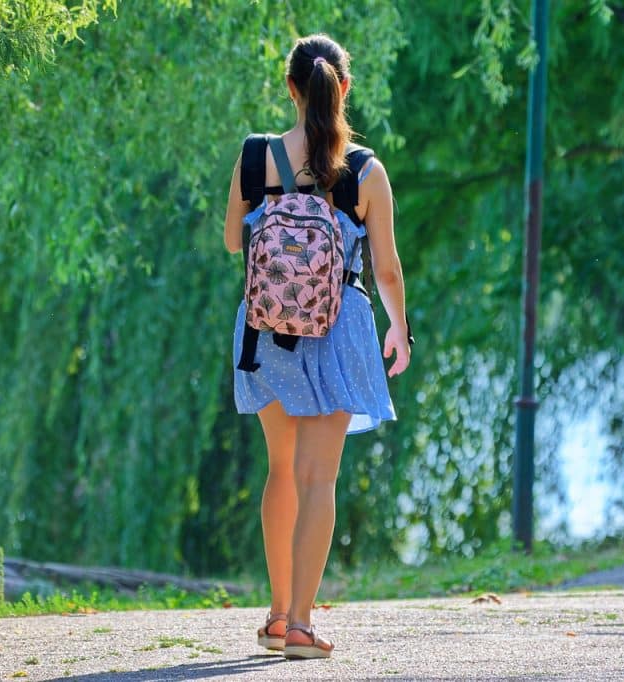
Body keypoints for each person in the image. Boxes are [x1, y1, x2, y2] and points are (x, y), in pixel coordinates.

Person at [223, 33, 410, 660]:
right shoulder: (365, 171)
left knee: (281, 471)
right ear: (344, 88)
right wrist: (398, 328)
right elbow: (386, 270)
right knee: (317, 477)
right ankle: (302, 627)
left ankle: (277, 616)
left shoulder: (256, 157)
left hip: (267, 329)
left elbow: (232, 242)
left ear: (291, 87)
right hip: (338, 332)